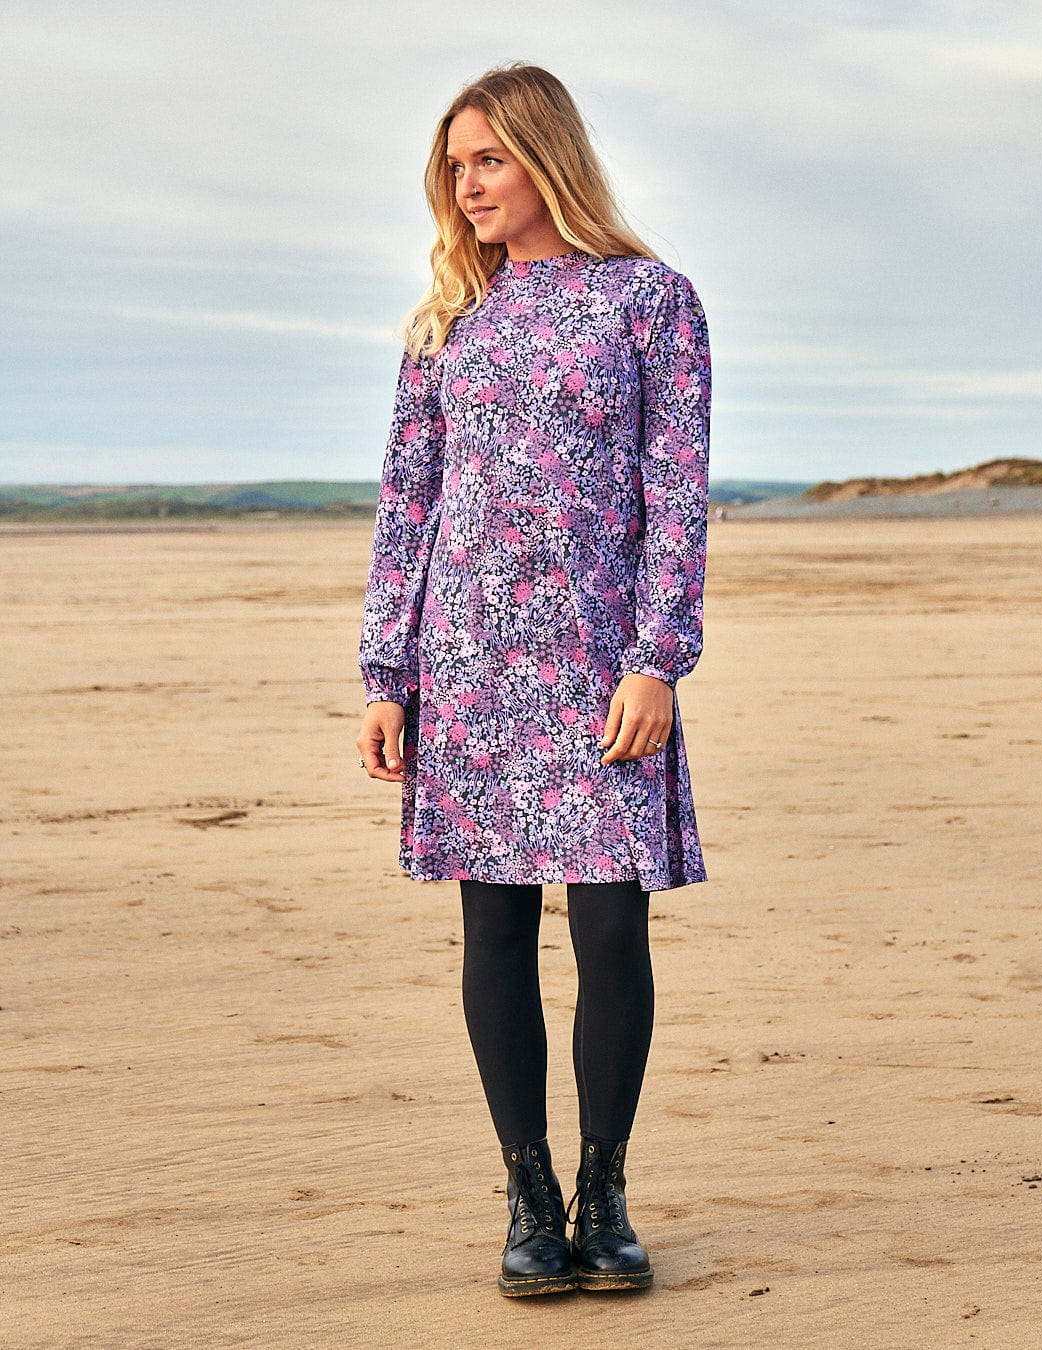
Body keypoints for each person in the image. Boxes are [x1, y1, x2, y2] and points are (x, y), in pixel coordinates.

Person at [357, 62, 711, 1297]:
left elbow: (676, 495)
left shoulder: (650, 302)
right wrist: (385, 672)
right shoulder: (444, 323)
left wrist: (658, 657)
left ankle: (604, 1191)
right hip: (467, 662)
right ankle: (528, 1195)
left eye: (489, 160)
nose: (467, 186)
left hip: (603, 661)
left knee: (612, 926)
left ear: (546, 158)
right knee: (495, 924)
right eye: (455, 166)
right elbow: (410, 503)